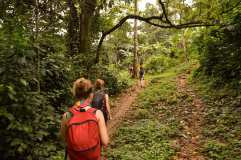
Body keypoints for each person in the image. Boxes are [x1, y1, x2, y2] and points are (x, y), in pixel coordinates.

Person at [60, 78, 109, 160]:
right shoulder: (97, 113)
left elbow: (64, 139)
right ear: (91, 95)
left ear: (75, 94)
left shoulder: (67, 115)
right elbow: (105, 141)